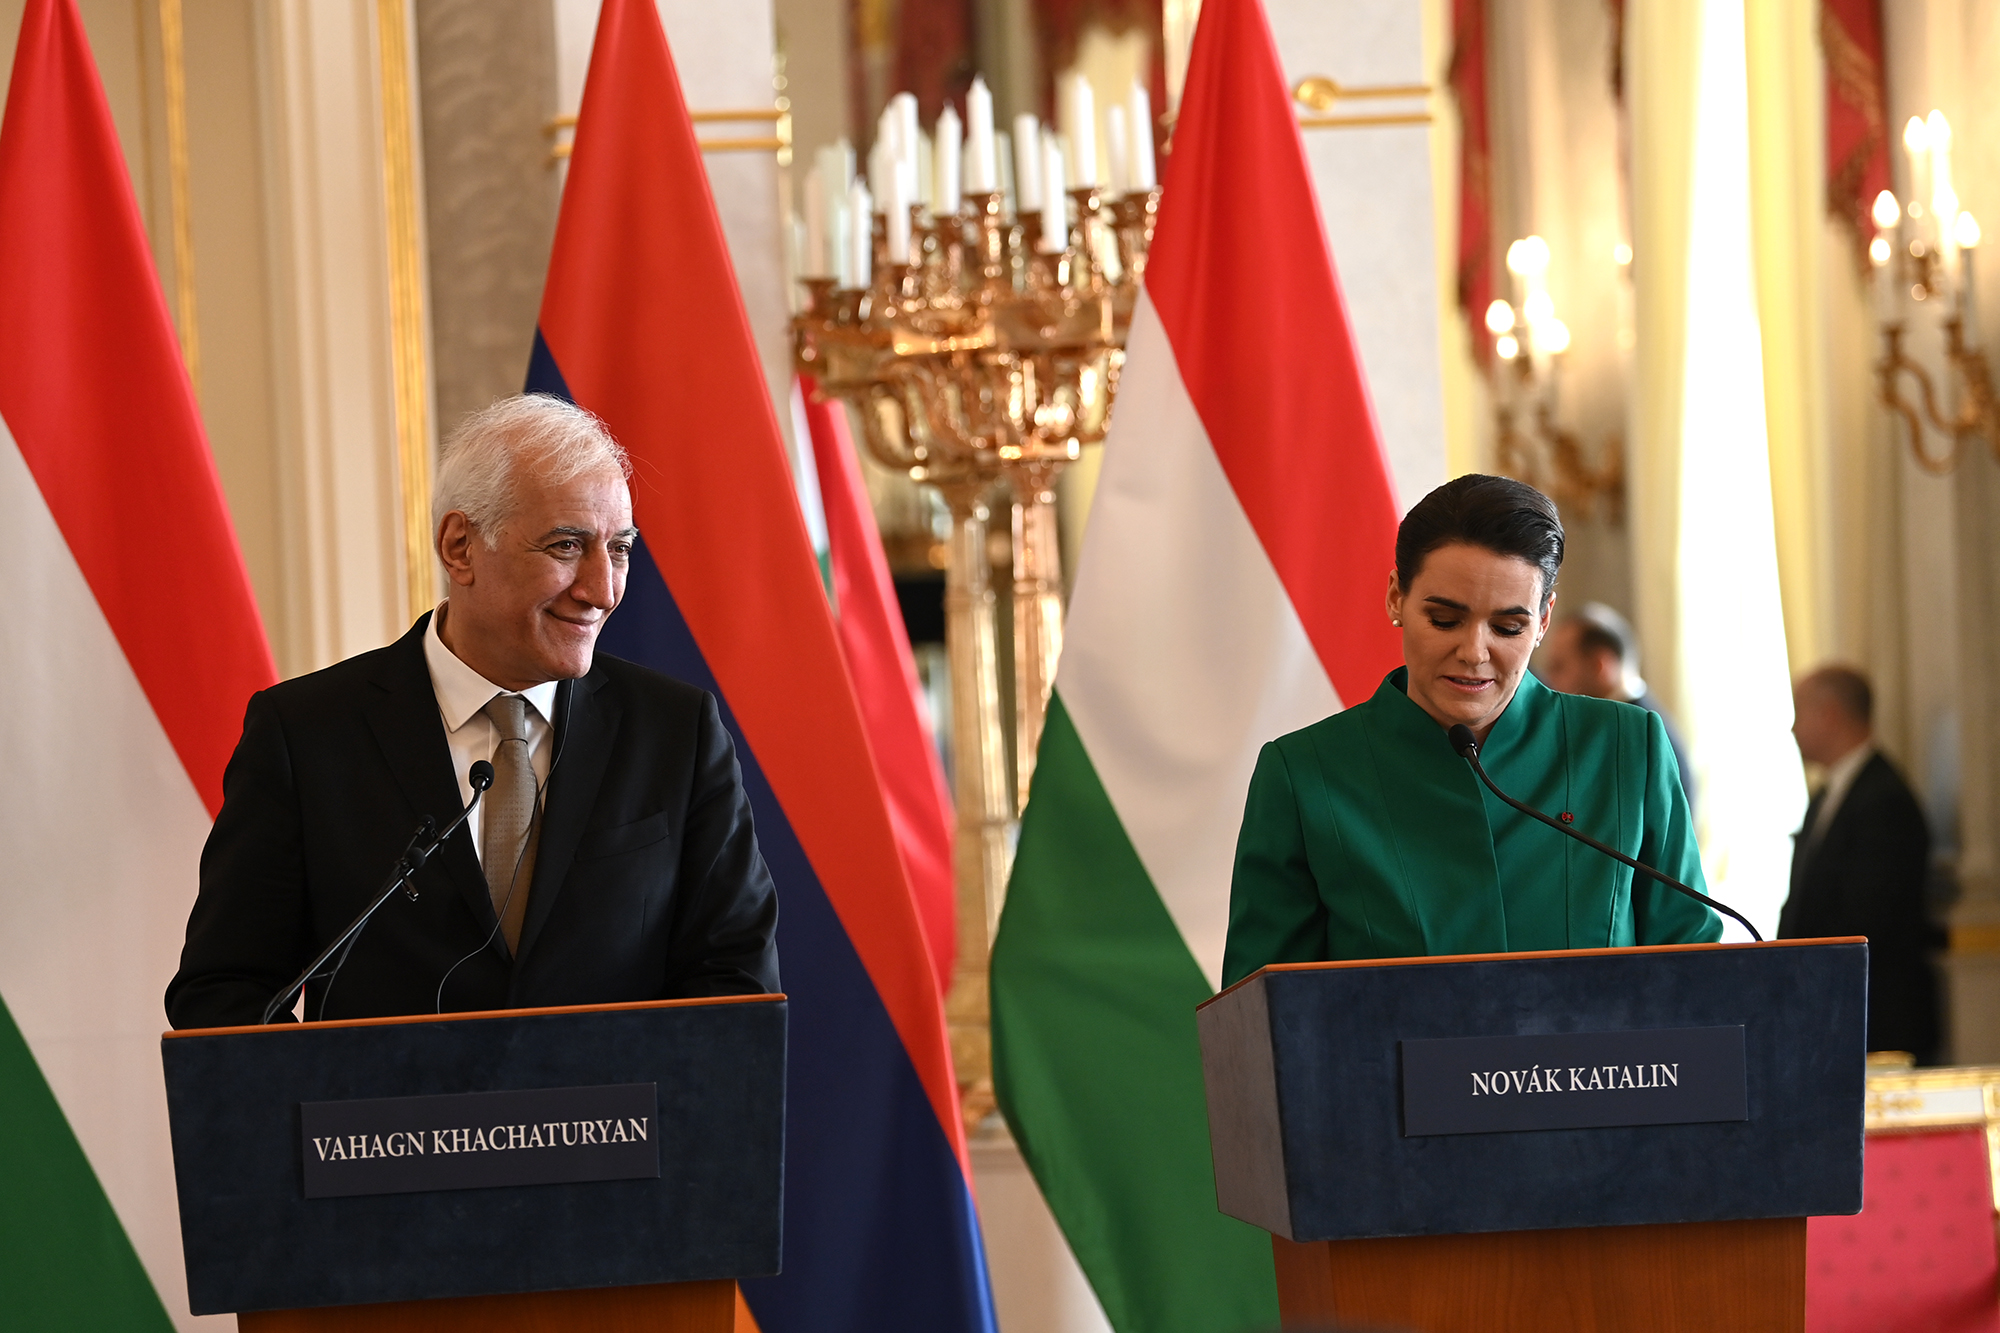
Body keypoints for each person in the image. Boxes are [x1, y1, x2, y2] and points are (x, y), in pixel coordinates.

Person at [167, 395, 779, 1028]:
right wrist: (333, 1090)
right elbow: (226, 994)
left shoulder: (677, 732)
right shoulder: (306, 735)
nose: (602, 590)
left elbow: (736, 983)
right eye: (567, 546)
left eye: (618, 549)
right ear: (460, 547)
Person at [1222, 474, 1718, 986]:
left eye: (1508, 627)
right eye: (1444, 620)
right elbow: (1261, 1011)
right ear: (1396, 598)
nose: (1474, 652)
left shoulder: (1626, 747)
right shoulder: (1305, 774)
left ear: (1544, 620)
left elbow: (1697, 973)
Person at [1779, 666, 1940, 1063]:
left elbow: (1867, 919)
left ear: (1830, 713)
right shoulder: (1828, 794)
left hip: (1875, 1017)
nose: (1793, 729)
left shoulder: (1884, 800)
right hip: (1834, 1007)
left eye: (1800, 712)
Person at [1538, 601, 1696, 806]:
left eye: (1558, 667)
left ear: (1599, 666)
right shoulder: (1629, 721)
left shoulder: (1637, 731)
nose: (1548, 681)